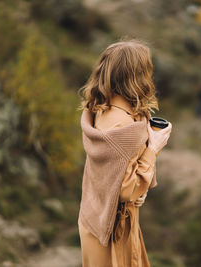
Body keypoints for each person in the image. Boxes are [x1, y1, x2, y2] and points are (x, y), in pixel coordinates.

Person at [77, 39, 172, 267]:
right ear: (136, 76)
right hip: (113, 232)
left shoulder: (100, 108)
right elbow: (126, 190)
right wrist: (153, 149)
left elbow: (112, 173)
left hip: (94, 218)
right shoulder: (122, 127)